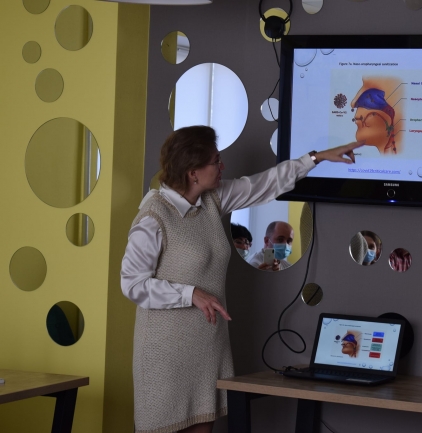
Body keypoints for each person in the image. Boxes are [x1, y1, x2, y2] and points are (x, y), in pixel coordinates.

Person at [120, 125, 362, 433]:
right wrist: (190, 293)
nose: (222, 166)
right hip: (164, 354)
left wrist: (317, 158)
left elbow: (265, 184)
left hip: (207, 345)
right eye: (215, 161)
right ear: (193, 172)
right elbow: (132, 283)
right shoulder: (154, 216)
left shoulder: (211, 200)